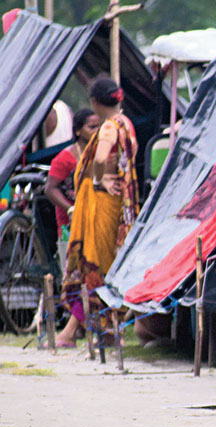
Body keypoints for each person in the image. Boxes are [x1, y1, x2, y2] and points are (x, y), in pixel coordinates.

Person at [56, 77, 139, 347]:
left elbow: (101, 158)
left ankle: (97, 331)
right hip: (118, 207)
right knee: (110, 267)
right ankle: (105, 331)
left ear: (94, 102)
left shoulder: (109, 127)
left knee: (95, 267)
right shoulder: (127, 124)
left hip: (101, 206)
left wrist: (98, 178)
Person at [45, 109, 100, 236]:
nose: (97, 131)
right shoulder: (64, 159)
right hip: (71, 224)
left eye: (99, 126)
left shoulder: (101, 152)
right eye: (92, 127)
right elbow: (50, 189)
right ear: (78, 131)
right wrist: (70, 209)